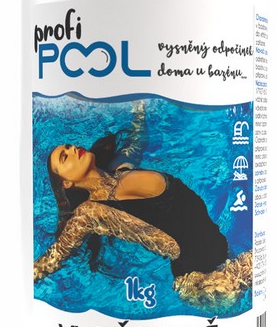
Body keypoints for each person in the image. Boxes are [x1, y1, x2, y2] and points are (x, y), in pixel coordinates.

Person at [34, 109, 251, 311]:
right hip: (202, 280)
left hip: (222, 251)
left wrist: (140, 108)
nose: (72, 149)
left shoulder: (121, 167)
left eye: (69, 146)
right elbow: (55, 256)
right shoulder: (90, 213)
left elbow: (137, 139)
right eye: (65, 157)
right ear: (67, 183)